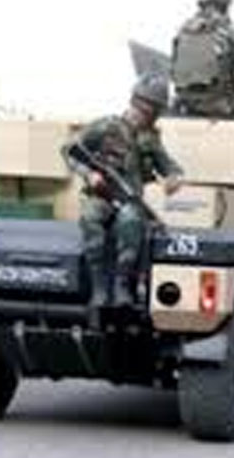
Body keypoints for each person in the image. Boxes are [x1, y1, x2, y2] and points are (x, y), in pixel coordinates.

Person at [64, 73, 183, 308]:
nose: (144, 114)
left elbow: (170, 168)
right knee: (90, 217)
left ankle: (122, 285)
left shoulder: (150, 139)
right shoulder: (107, 126)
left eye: (151, 110)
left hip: (129, 200)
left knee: (130, 220)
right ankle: (98, 287)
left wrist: (173, 180)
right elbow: (69, 150)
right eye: (142, 107)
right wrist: (89, 174)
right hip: (100, 195)